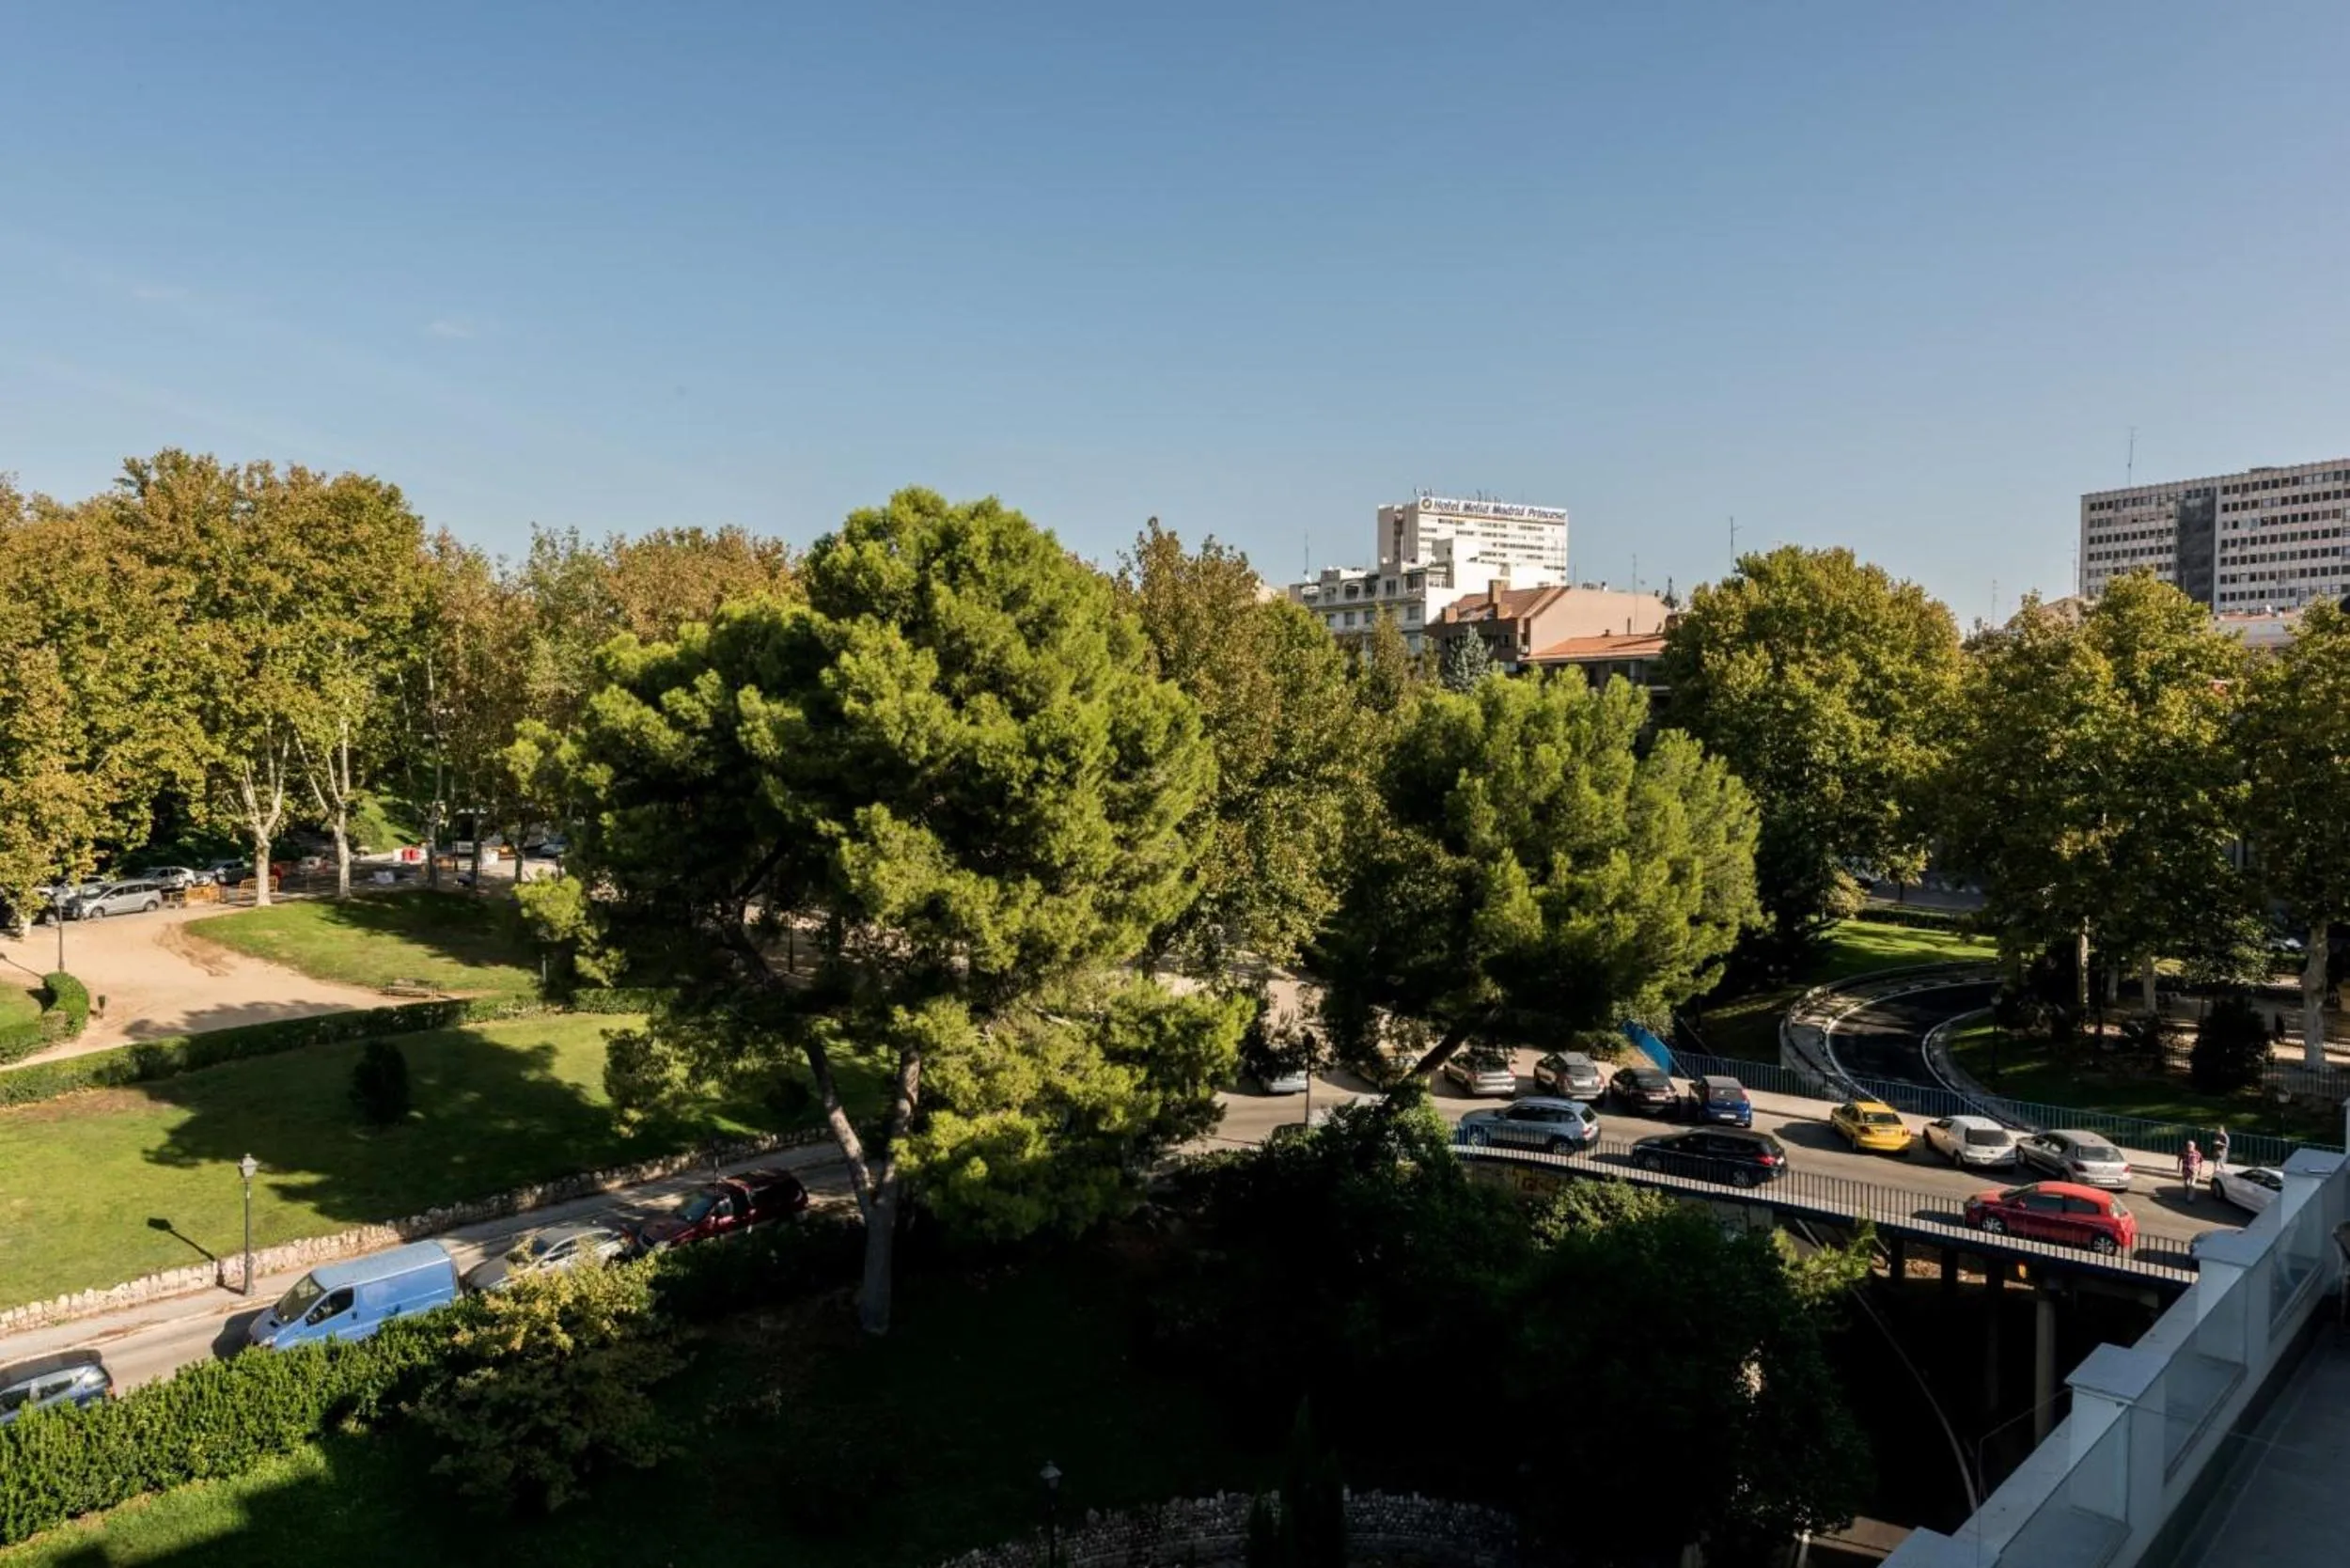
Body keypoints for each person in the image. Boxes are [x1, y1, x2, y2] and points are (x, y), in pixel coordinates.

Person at [2181, 1137, 2203, 1202]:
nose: (2189, 1147)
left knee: (2192, 1184)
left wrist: (2200, 1171)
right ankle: (2188, 1194)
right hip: (2185, 1171)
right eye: (2188, 1145)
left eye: (2191, 1146)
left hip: (2194, 1171)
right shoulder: (2183, 1152)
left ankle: (2190, 1198)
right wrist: (2178, 1168)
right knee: (2186, 1184)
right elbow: (2179, 1159)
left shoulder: (2197, 1153)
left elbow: (2201, 1162)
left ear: (2194, 1146)